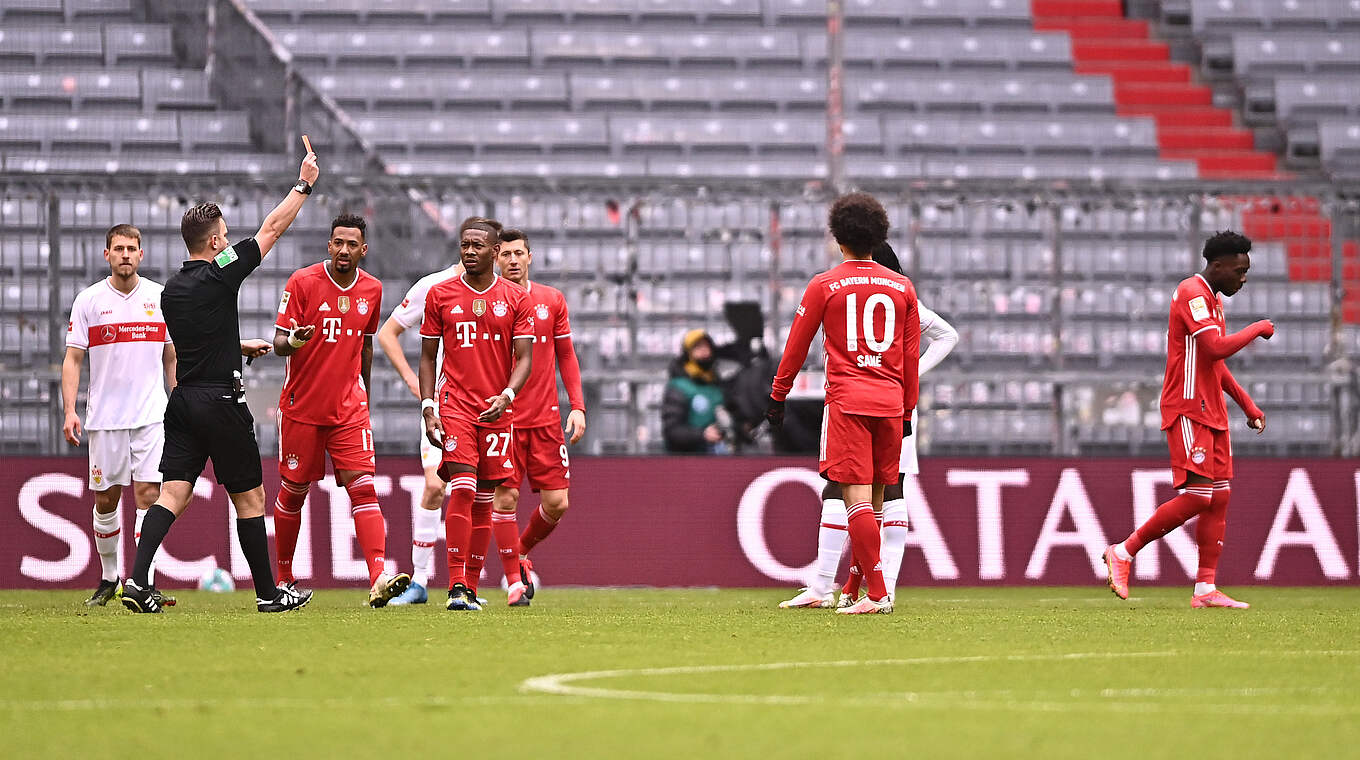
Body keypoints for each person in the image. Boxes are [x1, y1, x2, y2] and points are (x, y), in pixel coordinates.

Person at [120, 146, 319, 614]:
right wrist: (303, 184)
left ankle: (135, 579)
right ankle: (270, 594)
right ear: (214, 245)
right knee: (250, 498)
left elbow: (199, 337)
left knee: (172, 493)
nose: (229, 243)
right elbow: (270, 230)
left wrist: (238, 345)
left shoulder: (170, 289)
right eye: (225, 237)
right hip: (222, 402)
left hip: (184, 400)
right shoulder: (219, 273)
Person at [780, 241, 958, 609]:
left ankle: (858, 587)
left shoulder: (872, 293)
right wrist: (908, 376)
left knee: (869, 492)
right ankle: (849, 587)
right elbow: (947, 336)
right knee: (868, 493)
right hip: (889, 403)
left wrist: (910, 373)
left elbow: (947, 336)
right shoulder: (897, 295)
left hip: (868, 404)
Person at [766, 192, 920, 615]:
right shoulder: (903, 288)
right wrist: (907, 410)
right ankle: (853, 588)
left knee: (853, 500)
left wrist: (778, 395)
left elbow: (795, 349)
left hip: (849, 401)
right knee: (873, 500)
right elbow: (910, 359)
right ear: (878, 236)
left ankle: (877, 593)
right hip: (890, 403)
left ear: (838, 237)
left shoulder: (824, 285)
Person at [1104, 231, 1272, 609]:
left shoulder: (1213, 301)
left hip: (1212, 411)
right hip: (1187, 407)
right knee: (1198, 496)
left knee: (1220, 496)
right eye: (1239, 270)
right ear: (1217, 266)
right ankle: (1124, 552)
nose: (1243, 278)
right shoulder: (1192, 293)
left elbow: (1214, 361)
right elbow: (1215, 347)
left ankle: (1205, 589)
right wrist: (1257, 328)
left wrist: (1247, 405)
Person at [270, 213, 411, 608]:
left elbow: (366, 343)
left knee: (363, 487)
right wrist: (293, 341)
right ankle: (283, 578)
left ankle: (378, 575)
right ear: (329, 245)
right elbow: (279, 342)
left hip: (349, 408)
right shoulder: (302, 282)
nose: (344, 250)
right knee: (294, 492)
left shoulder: (373, 289)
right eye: (338, 243)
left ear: (363, 250)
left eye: (352, 244)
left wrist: (362, 389)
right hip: (302, 407)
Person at [419, 217, 535, 612]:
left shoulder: (517, 299)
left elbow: (525, 359)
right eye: (464, 244)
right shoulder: (440, 294)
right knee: (463, 489)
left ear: (495, 252)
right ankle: (454, 584)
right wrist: (428, 407)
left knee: (486, 498)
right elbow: (427, 356)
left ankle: (469, 586)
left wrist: (507, 394)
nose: (469, 251)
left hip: (496, 409)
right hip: (455, 407)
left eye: (477, 246)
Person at [62, 224, 178, 607]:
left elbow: (171, 355)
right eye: (119, 249)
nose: (125, 254)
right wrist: (69, 410)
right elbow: (73, 358)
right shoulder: (89, 300)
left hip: (151, 416)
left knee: (150, 495)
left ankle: (143, 580)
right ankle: (109, 575)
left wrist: (176, 399)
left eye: (132, 248)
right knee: (107, 500)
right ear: (107, 254)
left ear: (141, 255)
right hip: (105, 419)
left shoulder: (160, 298)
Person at [492, 228, 587, 606]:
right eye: (506, 254)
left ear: (530, 257)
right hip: (504, 420)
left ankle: (519, 553)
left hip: (546, 419)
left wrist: (576, 405)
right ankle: (515, 582)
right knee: (505, 497)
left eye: (519, 253)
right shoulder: (487, 303)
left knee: (557, 503)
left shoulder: (551, 300)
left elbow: (566, 355)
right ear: (496, 259)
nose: (513, 260)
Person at [376, 259, 463, 606]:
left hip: (486, 404)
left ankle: (465, 582)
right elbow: (388, 333)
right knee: (434, 484)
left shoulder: (502, 293)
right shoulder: (434, 286)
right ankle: (420, 580)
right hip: (443, 403)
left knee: (476, 491)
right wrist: (415, 384)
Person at [662, 330, 730, 453]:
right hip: (685, 460)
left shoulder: (717, 385)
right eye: (697, 347)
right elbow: (672, 430)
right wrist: (702, 435)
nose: (704, 351)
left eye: (707, 346)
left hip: (716, 458)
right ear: (688, 353)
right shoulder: (678, 387)